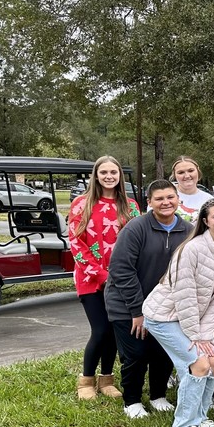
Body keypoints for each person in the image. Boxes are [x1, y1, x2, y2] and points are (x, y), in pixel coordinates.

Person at [142, 197, 214, 427]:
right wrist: (195, 336)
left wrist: (205, 336)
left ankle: (200, 417)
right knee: (199, 363)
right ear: (206, 221)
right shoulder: (192, 249)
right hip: (163, 317)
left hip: (190, 319)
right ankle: (184, 424)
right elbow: (184, 297)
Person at [105, 179, 193, 418]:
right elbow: (121, 269)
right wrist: (137, 311)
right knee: (135, 353)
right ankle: (131, 400)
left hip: (164, 306)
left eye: (170, 197)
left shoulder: (187, 231)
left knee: (163, 350)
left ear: (178, 199)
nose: (166, 202)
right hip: (127, 304)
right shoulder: (136, 228)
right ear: (149, 202)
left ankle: (158, 395)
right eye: (159, 199)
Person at [68, 155, 141, 400]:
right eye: (104, 172)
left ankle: (106, 379)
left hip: (122, 279)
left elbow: (136, 243)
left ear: (119, 176)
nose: (109, 176)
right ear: (96, 176)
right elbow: (76, 244)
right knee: (100, 330)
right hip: (91, 279)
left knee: (113, 330)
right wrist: (100, 275)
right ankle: (86, 380)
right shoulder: (82, 203)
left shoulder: (130, 206)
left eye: (113, 172)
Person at [170, 155, 214, 222]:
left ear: (198, 172)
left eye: (191, 171)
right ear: (175, 176)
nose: (187, 176)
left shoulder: (209, 200)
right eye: (181, 172)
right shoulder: (165, 197)